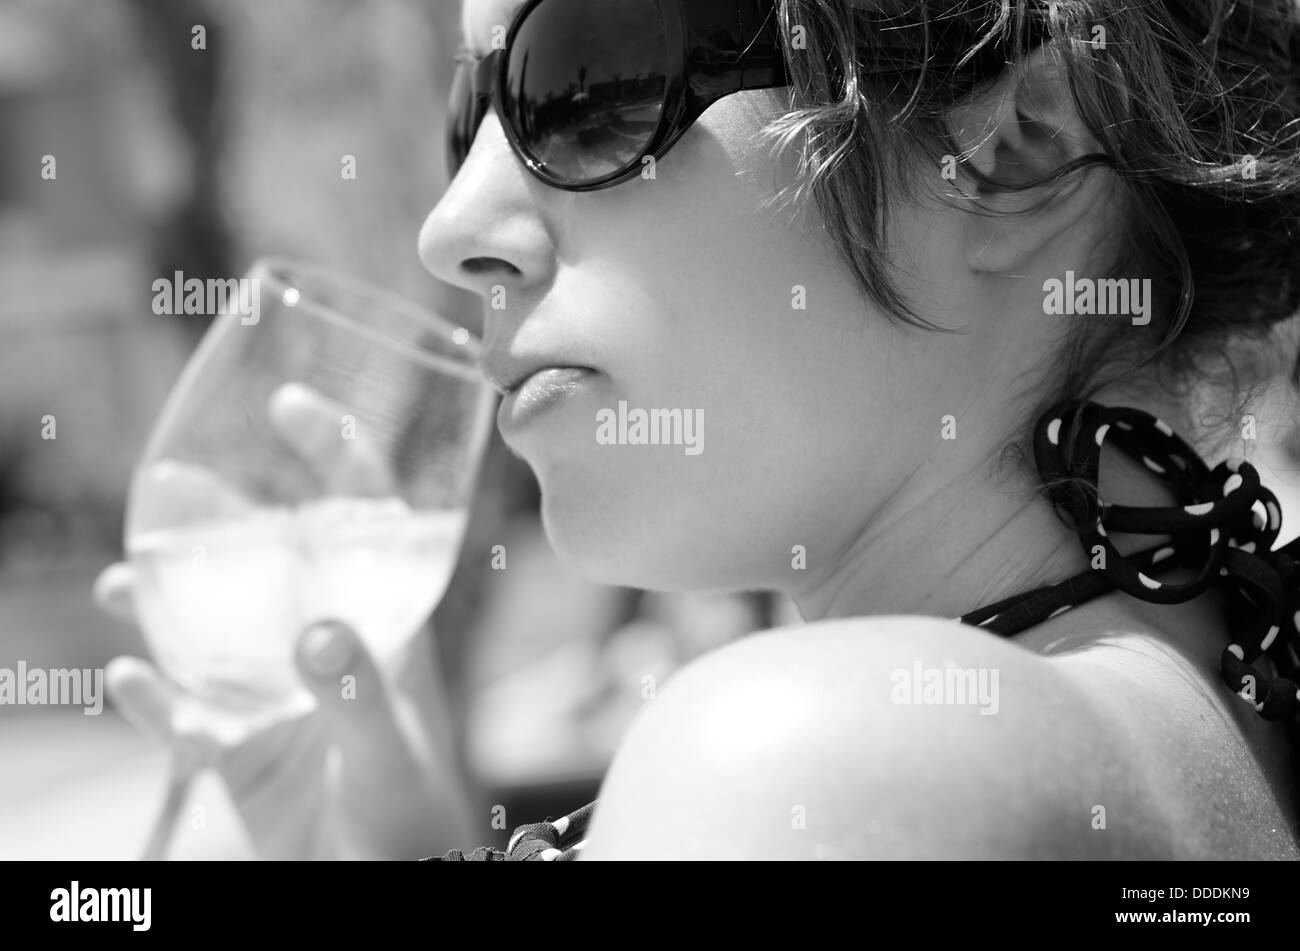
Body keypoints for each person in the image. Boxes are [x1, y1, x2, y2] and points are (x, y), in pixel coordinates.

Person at [109, 0, 1300, 859]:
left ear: (1016, 152)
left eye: (585, 81)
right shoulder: (1217, 699)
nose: (452, 226)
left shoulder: (796, 767)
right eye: (466, 116)